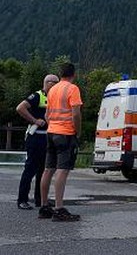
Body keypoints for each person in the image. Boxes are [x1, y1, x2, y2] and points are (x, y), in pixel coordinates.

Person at [39, 63, 82, 222]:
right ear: (73, 74)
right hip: (65, 133)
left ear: (60, 73)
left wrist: (52, 125)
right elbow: (76, 114)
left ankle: (44, 206)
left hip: (51, 132)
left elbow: (47, 115)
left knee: (48, 169)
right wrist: (77, 131)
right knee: (62, 170)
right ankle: (59, 208)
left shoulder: (52, 90)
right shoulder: (72, 89)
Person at [16, 74, 60, 210]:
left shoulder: (54, 97)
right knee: (30, 169)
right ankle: (22, 199)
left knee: (43, 170)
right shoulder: (37, 96)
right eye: (55, 83)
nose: (57, 86)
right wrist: (34, 120)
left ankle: (40, 199)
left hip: (48, 137)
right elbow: (20, 108)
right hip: (36, 136)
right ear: (48, 83)